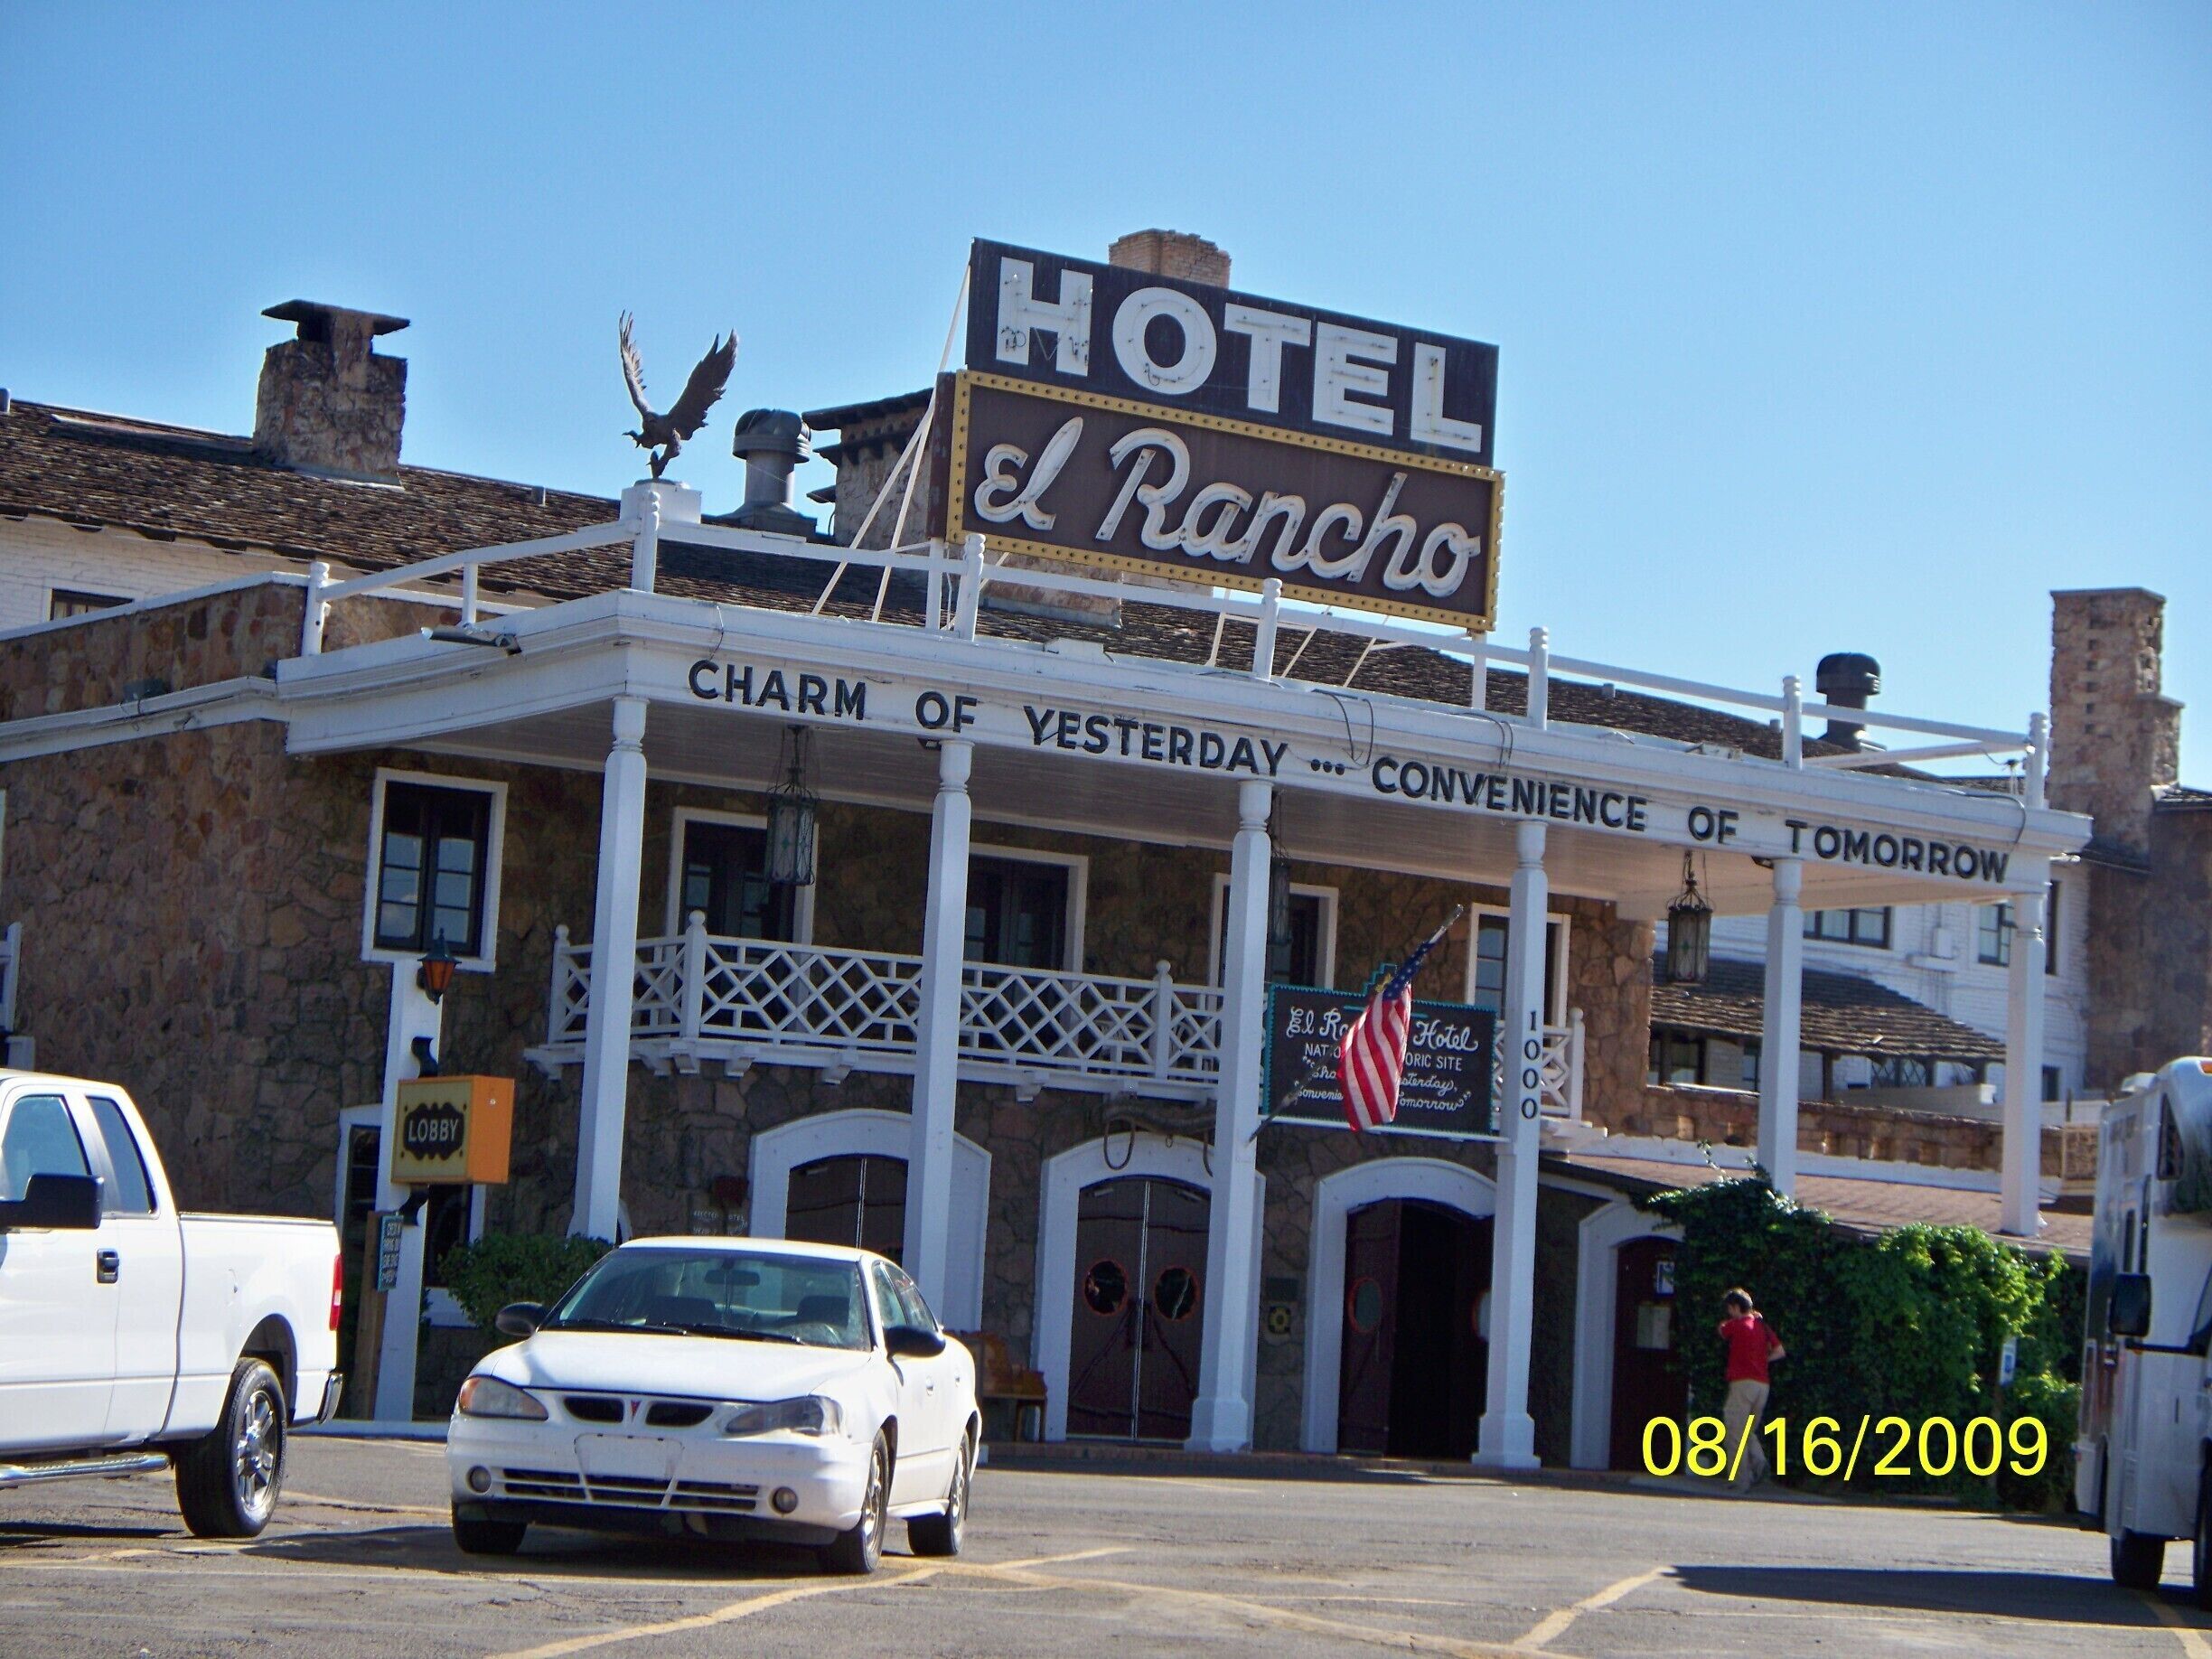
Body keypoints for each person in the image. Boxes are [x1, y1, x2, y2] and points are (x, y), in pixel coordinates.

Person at [1716, 1288, 1784, 1490]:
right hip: (1762, 1385)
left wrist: (1729, 1322)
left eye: (1730, 1308)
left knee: (1735, 1431)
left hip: (1742, 1384)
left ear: (1736, 1307)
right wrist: (1763, 1361)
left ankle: (1741, 1480)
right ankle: (1759, 1461)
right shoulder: (1762, 1327)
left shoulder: (1736, 1325)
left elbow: (1721, 1330)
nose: (1729, 1313)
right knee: (1748, 1429)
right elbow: (1780, 1351)